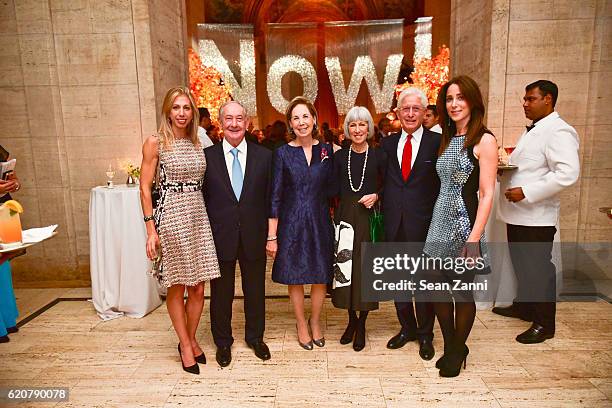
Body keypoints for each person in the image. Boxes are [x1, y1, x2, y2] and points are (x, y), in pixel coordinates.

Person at [140, 86, 220, 375]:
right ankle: (186, 345)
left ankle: (190, 337)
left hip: (198, 214)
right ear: (167, 111)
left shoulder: (200, 141)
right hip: (171, 214)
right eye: (176, 108)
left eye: (187, 108)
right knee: (177, 284)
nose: (182, 113)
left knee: (199, 285)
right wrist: (151, 229)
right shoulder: (156, 142)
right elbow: (145, 187)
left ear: (193, 112)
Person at [494, 80, 580, 344]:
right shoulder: (536, 130)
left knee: (539, 269)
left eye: (531, 99)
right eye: (525, 98)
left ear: (548, 99)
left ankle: (544, 324)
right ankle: (525, 306)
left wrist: (527, 191)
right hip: (517, 214)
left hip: (536, 216)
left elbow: (568, 173)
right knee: (522, 265)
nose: (525, 103)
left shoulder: (559, 131)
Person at [423, 75, 497, 377]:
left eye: (460, 98)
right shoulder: (446, 136)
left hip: (464, 222)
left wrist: (474, 237)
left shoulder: (484, 140)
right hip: (439, 218)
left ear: (472, 101)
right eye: (449, 99)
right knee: (435, 285)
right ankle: (454, 345)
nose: (454, 104)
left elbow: (487, 193)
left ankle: (455, 351)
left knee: (462, 291)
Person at [203, 100, 272, 367]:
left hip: (254, 234)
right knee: (221, 294)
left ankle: (256, 338)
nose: (234, 124)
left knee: (255, 291)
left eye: (239, 118)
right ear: (221, 123)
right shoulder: (207, 158)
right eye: (228, 118)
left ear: (247, 123)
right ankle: (223, 342)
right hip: (220, 236)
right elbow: (204, 200)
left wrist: (271, 235)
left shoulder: (265, 157)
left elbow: (270, 199)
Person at [267, 96, 334, 350]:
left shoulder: (327, 150)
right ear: (290, 124)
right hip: (292, 222)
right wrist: (272, 235)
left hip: (319, 220)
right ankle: (301, 323)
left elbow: (335, 187)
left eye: (305, 116)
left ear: (314, 119)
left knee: (320, 275)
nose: (301, 122)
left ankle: (315, 321)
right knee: (295, 276)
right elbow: (275, 195)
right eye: (296, 118)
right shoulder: (282, 153)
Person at [380, 87, 440, 361]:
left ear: (425, 112)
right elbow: (381, 179)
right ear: (398, 112)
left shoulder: (436, 142)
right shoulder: (388, 144)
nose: (411, 114)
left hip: (425, 223)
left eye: (417, 109)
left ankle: (426, 335)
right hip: (394, 222)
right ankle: (407, 329)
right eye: (406, 109)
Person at [331, 106, 386, 351]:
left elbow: (389, 187)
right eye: (352, 125)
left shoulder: (379, 156)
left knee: (364, 272)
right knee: (345, 271)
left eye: (362, 124)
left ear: (369, 128)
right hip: (345, 219)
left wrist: (377, 195)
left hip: (368, 220)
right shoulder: (339, 157)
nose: (357, 129)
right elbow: (331, 189)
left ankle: (362, 323)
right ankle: (351, 321)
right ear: (347, 130)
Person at [0, 145, 21, 343]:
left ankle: (6, 320)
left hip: (5, 207)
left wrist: (14, 184)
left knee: (4, 261)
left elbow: (12, 178)